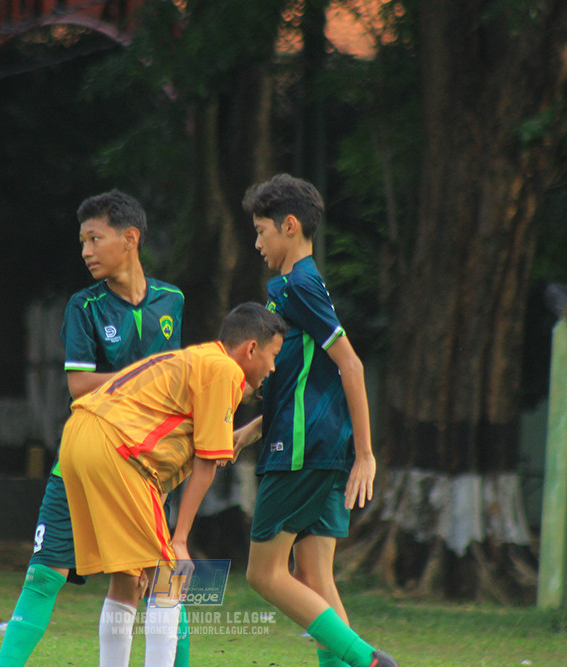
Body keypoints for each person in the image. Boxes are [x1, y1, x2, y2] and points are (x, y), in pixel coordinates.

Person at [0, 190, 186, 666]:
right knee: (44, 574)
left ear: (130, 238)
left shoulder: (172, 301)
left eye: (94, 238)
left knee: (150, 578)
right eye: (82, 241)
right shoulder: (85, 307)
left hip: (143, 465)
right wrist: (146, 376)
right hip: (83, 458)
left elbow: (176, 387)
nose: (85, 251)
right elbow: (80, 385)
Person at [60, 302, 287, 667]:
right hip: (117, 451)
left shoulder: (197, 360)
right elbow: (206, 462)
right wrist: (178, 539)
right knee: (171, 576)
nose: (273, 367)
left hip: (80, 439)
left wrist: (247, 432)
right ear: (251, 349)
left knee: (129, 577)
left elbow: (175, 453)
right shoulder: (224, 371)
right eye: (273, 355)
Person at [234, 174, 399, 667]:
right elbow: (307, 380)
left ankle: (369, 660)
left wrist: (367, 455)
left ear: (289, 225)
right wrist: (253, 428)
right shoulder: (295, 287)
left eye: (262, 231)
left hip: (303, 450)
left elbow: (350, 364)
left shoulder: (298, 284)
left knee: (263, 575)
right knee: (315, 577)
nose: (257, 242)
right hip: (322, 446)